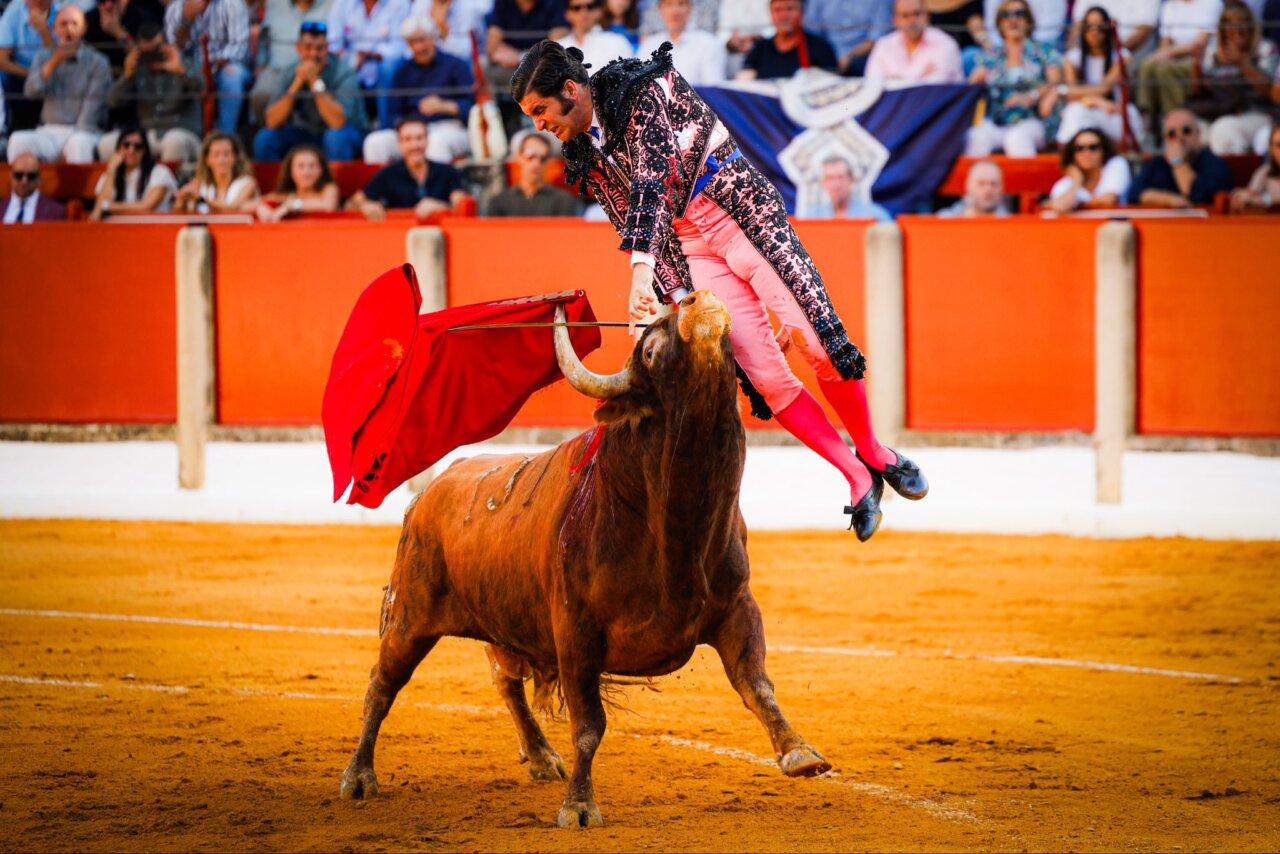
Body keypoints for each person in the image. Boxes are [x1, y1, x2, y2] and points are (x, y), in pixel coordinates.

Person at [513, 41, 928, 541]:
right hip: (692, 246)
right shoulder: (584, 151)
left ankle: (875, 451)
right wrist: (673, 295)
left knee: (819, 345)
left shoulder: (637, 89)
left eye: (540, 110)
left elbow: (652, 178)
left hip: (741, 211)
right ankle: (855, 475)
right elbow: (628, 218)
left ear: (570, 90)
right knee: (765, 378)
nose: (539, 123)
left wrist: (640, 273)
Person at [363, 16, 474, 164]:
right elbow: (393, 114)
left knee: (436, 142)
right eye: (413, 42)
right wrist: (407, 126)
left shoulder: (456, 65)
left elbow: (473, 109)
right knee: (375, 142)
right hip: (410, 130)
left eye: (423, 40)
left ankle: (437, 180)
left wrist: (445, 106)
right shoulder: (402, 72)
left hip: (448, 127)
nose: (419, 47)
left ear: (433, 37)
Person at [8, 5, 110, 164]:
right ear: (54, 29)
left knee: (78, 143)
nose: (69, 29)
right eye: (63, 24)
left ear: (84, 28)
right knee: (18, 140)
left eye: (74, 24)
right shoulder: (44, 57)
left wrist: (66, 148)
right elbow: (30, 92)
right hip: (49, 131)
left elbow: (90, 115)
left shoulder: (98, 62)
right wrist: (54, 62)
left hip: (83, 131)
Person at [254, 20, 367, 161]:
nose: (313, 54)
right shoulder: (290, 71)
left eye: (319, 48)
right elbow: (272, 121)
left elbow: (337, 122)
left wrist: (315, 82)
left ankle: (336, 177)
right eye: (308, 48)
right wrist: (297, 83)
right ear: (298, 48)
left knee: (335, 138)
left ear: (327, 48)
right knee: (265, 138)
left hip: (347, 133)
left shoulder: (344, 72)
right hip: (305, 133)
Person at [966, 0, 1063, 157]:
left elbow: (1055, 83)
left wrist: (1032, 96)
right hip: (998, 120)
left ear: (1028, 20)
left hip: (1033, 119)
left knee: (1017, 138)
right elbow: (971, 86)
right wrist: (976, 81)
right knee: (976, 137)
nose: (1013, 19)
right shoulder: (991, 55)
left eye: (1019, 14)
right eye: (1006, 15)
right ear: (999, 23)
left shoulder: (1043, 51)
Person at [100, 22, 204, 164]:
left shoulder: (183, 63)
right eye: (147, 53)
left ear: (166, 45)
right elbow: (112, 101)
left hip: (183, 132)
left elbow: (201, 89)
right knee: (106, 144)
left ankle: (169, 179)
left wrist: (181, 71)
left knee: (173, 141)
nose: (153, 56)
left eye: (156, 50)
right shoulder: (138, 70)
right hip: (147, 135)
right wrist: (127, 76)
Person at [1190, 1, 1279, 155]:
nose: (1236, 29)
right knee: (1189, 129)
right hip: (1218, 111)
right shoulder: (1213, 52)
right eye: (1230, 24)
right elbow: (1199, 93)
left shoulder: (1266, 49)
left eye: (1241, 24)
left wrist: (1242, 64)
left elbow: (1268, 92)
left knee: (1224, 130)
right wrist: (1196, 66)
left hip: (1257, 113)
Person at [348, 114, 471, 218]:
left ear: (427, 140)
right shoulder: (387, 174)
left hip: (441, 233)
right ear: (399, 144)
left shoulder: (448, 171)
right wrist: (365, 205)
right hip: (399, 233)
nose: (415, 145)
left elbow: (462, 204)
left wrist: (441, 207)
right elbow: (351, 205)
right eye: (408, 139)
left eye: (419, 138)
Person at [1057, 5, 1144, 145]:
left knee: (1078, 112)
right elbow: (1071, 94)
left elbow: (1103, 88)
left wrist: (1071, 92)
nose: (1095, 32)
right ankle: (1071, 153)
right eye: (1090, 26)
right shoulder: (1072, 57)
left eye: (1100, 27)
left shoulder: (1122, 56)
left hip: (1114, 112)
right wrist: (1096, 102)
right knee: (1075, 111)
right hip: (1090, 109)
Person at [165, 0, 251, 134]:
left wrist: (211, 66)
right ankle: (189, 135)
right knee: (176, 76)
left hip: (224, 66)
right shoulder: (175, 8)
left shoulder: (233, 4)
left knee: (232, 76)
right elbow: (173, 51)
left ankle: (225, 136)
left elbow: (239, 48)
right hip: (190, 70)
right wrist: (186, 21)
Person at [325, 0, 411, 129]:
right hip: (350, 66)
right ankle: (349, 129)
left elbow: (399, 48)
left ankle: (385, 128)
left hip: (381, 67)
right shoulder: (342, 3)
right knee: (335, 67)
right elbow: (333, 43)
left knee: (389, 68)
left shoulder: (399, 3)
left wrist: (368, 55)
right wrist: (351, 58)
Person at [1135, 0, 1222, 123]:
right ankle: (1146, 117)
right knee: (1147, 64)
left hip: (1201, 60)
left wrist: (1169, 53)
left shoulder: (1211, 3)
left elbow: (1201, 42)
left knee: (1165, 69)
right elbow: (1165, 41)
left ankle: (1174, 119)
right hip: (1174, 57)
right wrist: (1164, 54)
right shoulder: (1169, 6)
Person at [1128, 106, 1233, 205]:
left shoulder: (1214, 164)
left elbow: (1200, 196)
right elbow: (1133, 193)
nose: (1179, 137)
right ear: (1165, 139)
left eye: (1186, 131)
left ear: (1198, 133)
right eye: (1172, 133)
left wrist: (1178, 162)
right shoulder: (1157, 164)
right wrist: (1170, 199)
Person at [864, 0, 964, 84]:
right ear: (895, 20)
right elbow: (873, 85)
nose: (912, 21)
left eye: (917, 14)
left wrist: (896, 80)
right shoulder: (884, 45)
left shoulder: (945, 44)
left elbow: (936, 87)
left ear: (927, 15)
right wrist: (920, 77)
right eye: (905, 16)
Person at [89, 126, 178, 218]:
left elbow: (147, 207)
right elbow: (99, 210)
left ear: (144, 151)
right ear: (118, 148)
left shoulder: (160, 172)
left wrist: (109, 207)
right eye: (126, 145)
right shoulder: (109, 174)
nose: (131, 151)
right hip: (116, 226)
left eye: (137, 146)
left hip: (151, 225)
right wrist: (111, 170)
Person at [486, 129, 581, 215]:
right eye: (530, 157)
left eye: (543, 158)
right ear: (519, 157)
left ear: (549, 161)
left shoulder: (563, 200)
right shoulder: (499, 201)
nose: (536, 164)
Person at [737, 0, 839, 80]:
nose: (783, 16)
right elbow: (744, 80)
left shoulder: (820, 48)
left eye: (789, 9)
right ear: (771, 15)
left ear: (802, 14)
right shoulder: (760, 48)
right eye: (777, 10)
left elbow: (831, 82)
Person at [0, 0, 59, 132]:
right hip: (21, 77)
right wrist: (32, 76)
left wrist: (43, 30)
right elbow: (1, 60)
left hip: (54, 78)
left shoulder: (62, 13)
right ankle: (3, 129)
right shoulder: (14, 12)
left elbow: (61, 61)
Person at [638, 0, 724, 85]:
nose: (675, 11)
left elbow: (713, 89)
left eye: (681, 4)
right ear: (660, 10)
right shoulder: (649, 45)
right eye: (669, 4)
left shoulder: (708, 44)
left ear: (690, 8)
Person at [1046, 127, 1131, 211]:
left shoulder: (1116, 164)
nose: (1086, 153)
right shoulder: (1067, 182)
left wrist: (1077, 205)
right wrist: (1077, 180)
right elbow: (1060, 207)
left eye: (1093, 147)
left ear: (1104, 150)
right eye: (1079, 148)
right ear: (1073, 154)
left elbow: (1108, 200)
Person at [175, 130, 261, 213]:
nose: (221, 160)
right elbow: (182, 215)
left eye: (226, 154)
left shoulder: (248, 183)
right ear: (207, 160)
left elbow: (233, 209)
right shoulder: (201, 185)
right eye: (216, 155)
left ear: (235, 157)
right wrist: (182, 200)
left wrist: (202, 198)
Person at [254, 142, 341, 219]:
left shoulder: (329, 188)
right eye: (300, 166)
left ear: (321, 170)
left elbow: (328, 205)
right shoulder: (285, 195)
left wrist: (292, 205)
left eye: (312, 166)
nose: (306, 172)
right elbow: (251, 204)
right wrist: (260, 207)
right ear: (290, 171)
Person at [804, 0, 892, 75]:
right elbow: (811, 31)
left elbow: (878, 35)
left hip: (862, 55)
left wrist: (850, 56)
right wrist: (829, 57)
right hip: (825, 53)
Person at [797, 155, 892, 220]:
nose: (836, 184)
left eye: (840, 177)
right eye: (830, 178)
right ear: (823, 182)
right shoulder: (812, 217)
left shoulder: (875, 216)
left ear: (851, 179)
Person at [84, 0, 165, 74]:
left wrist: (119, 33)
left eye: (113, 1)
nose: (108, 5)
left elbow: (143, 58)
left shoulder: (141, 16)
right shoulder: (90, 21)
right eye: (103, 1)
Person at [407, 0, 495, 62]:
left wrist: (442, 28)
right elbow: (408, 52)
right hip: (427, 64)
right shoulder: (421, 4)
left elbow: (464, 55)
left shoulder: (470, 6)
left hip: (464, 65)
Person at [560, 0, 634, 73]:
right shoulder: (559, 47)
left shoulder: (618, 42)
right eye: (577, 8)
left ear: (599, 10)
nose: (584, 12)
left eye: (590, 7)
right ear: (567, 13)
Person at [1068, 0, 1158, 59]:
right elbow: (1077, 27)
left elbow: (1143, 32)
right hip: (1092, 51)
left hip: (1129, 51)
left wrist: (1112, 54)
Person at [1, 150, 66, 221]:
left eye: (31, 176)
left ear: (39, 178)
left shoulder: (56, 212)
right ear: (11, 176)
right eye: (19, 175)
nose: (24, 181)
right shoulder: (2, 208)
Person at [1229, 121, 1280, 210]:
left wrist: (1264, 200)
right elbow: (1251, 195)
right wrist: (1241, 196)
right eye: (1279, 145)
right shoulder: (1265, 172)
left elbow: (1257, 200)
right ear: (1271, 149)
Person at [936, 159, 1011, 214]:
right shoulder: (945, 221)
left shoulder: (1011, 224)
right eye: (981, 183)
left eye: (993, 184)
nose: (988, 190)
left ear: (1001, 187)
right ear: (969, 185)